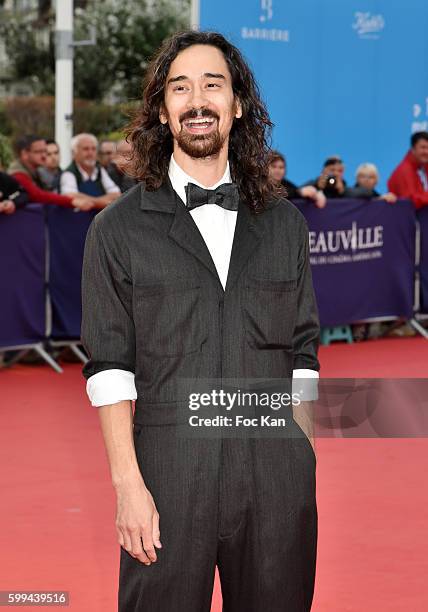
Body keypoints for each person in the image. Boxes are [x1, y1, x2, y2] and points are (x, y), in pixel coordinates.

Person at [81, 30, 320, 611]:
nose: (196, 99)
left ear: (237, 104)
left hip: (273, 473)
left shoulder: (285, 223)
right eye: (179, 86)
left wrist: (299, 465)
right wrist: (128, 488)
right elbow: (110, 368)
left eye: (212, 84)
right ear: (162, 111)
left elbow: (303, 349)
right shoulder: (116, 231)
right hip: (168, 473)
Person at [8, 135, 89, 209]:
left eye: (44, 151)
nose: (44, 156)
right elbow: (37, 195)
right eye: (38, 152)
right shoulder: (18, 174)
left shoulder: (34, 172)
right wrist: (71, 201)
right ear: (25, 154)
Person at [60, 133, 120, 209]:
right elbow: (70, 196)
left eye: (93, 149)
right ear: (74, 153)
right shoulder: (69, 173)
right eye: (86, 149)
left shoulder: (100, 169)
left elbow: (116, 194)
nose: (90, 153)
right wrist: (103, 203)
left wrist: (91, 202)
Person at [387, 131, 428, 209]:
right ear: (413, 149)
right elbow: (410, 201)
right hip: (406, 219)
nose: (427, 151)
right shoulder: (404, 171)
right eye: (423, 147)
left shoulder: (424, 166)